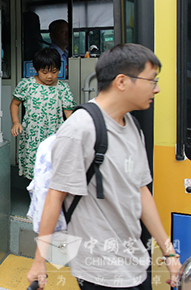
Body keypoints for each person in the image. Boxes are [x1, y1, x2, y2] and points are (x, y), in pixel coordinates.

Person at [27, 43, 182, 290]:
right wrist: (39, 261)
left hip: (135, 263)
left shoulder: (133, 126)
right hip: (99, 270)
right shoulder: (80, 129)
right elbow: (55, 197)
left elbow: (141, 191)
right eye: (152, 80)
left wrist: (169, 253)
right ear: (122, 81)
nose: (157, 88)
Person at [10, 48, 76, 179]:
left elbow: (68, 112)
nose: (50, 76)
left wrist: (74, 130)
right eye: (44, 72)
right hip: (32, 134)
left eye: (54, 72)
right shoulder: (27, 85)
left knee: (53, 167)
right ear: (36, 69)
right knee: (35, 168)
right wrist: (16, 122)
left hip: (54, 133)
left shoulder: (63, 88)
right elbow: (15, 104)